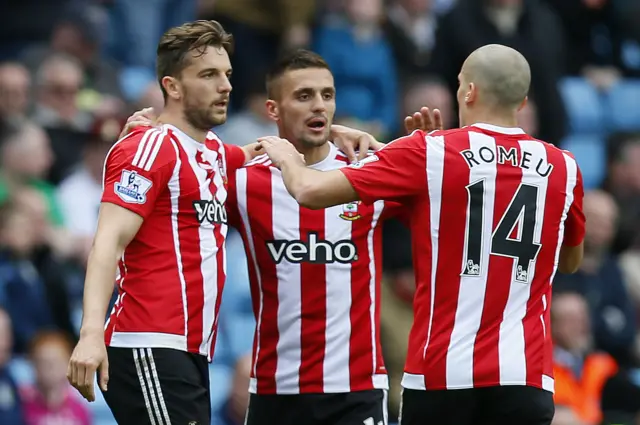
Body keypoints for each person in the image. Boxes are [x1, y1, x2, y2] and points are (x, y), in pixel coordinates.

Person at [257, 44, 586, 425]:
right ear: (522, 100)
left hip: (443, 375)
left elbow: (309, 192)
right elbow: (570, 261)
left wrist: (283, 154)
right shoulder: (564, 167)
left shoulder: (432, 153)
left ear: (468, 92)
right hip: (526, 377)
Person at [67, 21, 377, 425]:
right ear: (172, 87)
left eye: (228, 74)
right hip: (148, 341)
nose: (226, 86)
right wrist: (90, 332)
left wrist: (334, 130)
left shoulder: (212, 152)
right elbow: (108, 239)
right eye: (209, 75)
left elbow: (266, 146)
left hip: (188, 350)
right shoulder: (150, 145)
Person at [122, 48, 440, 425]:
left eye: (327, 95)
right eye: (304, 96)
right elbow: (166, 197)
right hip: (274, 390)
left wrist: (428, 155)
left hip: (356, 391)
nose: (319, 106)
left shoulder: (366, 173)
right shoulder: (242, 181)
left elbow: (444, 209)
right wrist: (137, 143)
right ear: (273, 110)